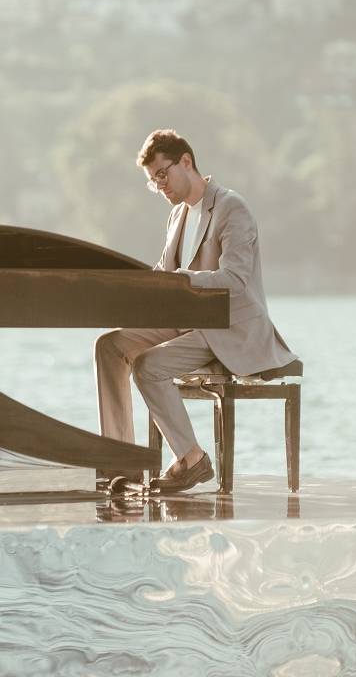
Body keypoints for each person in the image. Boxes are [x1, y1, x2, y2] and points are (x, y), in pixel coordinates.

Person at [94, 129, 297, 492]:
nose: (160, 187)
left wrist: (182, 280)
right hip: (188, 324)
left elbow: (235, 278)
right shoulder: (177, 217)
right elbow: (162, 275)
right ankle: (119, 464)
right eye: (152, 182)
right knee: (110, 345)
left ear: (186, 161)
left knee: (148, 365)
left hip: (230, 327)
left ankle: (191, 459)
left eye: (161, 175)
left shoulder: (232, 207)